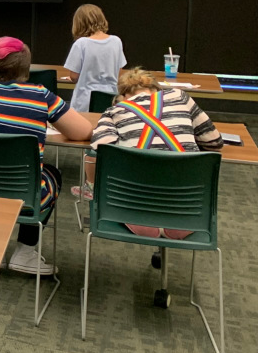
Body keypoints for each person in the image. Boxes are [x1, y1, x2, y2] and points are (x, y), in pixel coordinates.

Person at [0, 37, 92, 274]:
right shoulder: (42, 97)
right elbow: (84, 131)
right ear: (26, 69)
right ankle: (25, 253)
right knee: (52, 174)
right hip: (25, 197)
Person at [85, 69, 222, 239]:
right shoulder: (180, 97)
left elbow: (100, 151)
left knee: (88, 155)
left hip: (134, 215)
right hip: (189, 217)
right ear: (157, 89)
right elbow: (214, 142)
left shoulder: (114, 111)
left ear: (122, 95)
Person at [64, 4, 125, 113]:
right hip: (111, 98)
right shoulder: (116, 41)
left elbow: (74, 76)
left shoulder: (81, 44)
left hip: (85, 101)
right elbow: (119, 71)